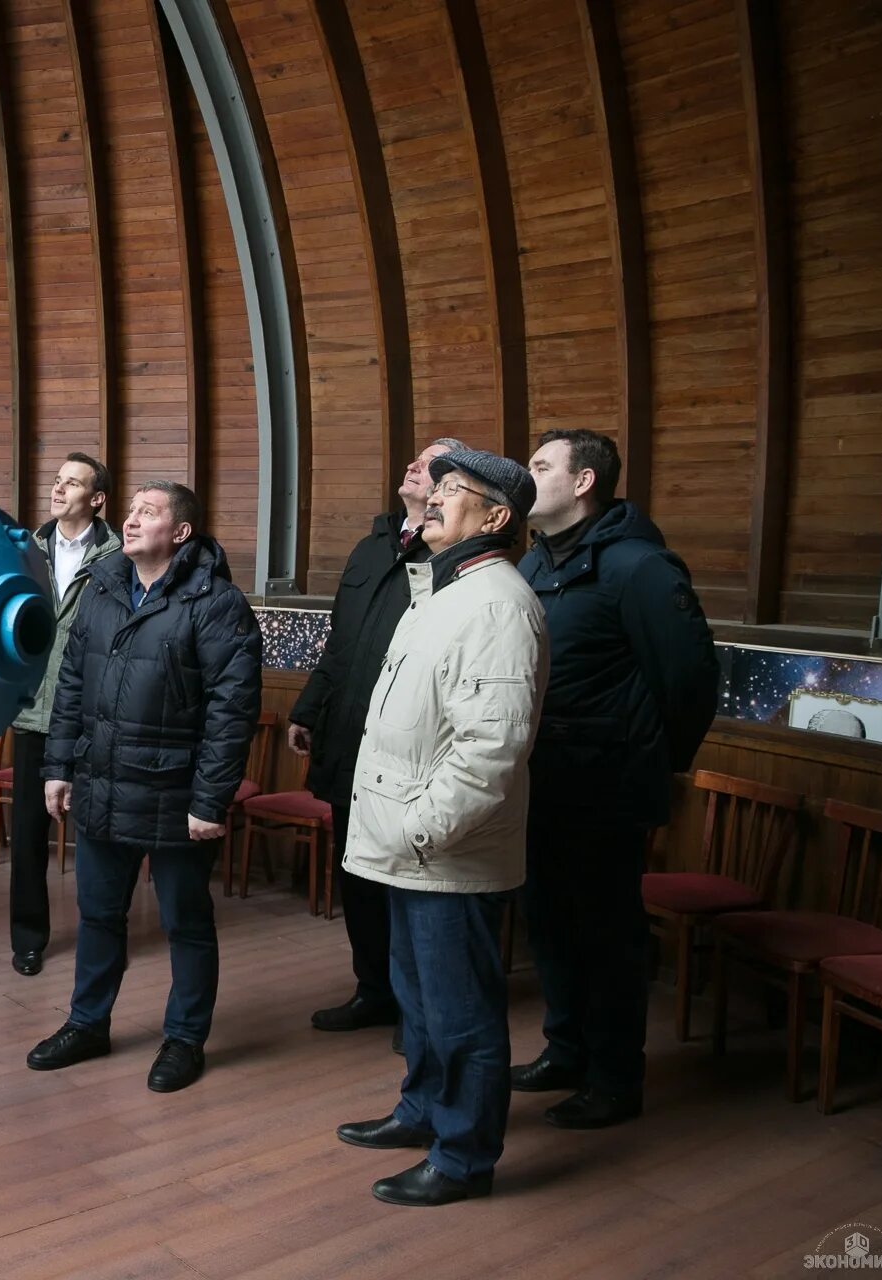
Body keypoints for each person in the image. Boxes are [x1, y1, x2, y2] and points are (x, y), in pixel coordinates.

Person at [333, 448, 546, 1207]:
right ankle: (421, 1112)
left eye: (454, 490)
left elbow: (491, 749)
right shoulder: (444, 589)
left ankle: (462, 1158)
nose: (433, 498)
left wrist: (417, 832)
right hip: (411, 851)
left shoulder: (496, 604)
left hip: (442, 854)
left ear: (496, 518)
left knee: (461, 1016)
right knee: (419, 1001)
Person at [510, 429, 719, 1129]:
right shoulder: (536, 567)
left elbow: (689, 681)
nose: (527, 476)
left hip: (605, 788)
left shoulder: (640, 567)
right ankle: (565, 1050)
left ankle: (614, 1077)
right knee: (548, 925)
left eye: (540, 466)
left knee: (605, 937)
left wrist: (653, 761)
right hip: (544, 783)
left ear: (583, 482)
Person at [24, 482, 262, 1093]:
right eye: (129, 510)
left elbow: (231, 712)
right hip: (103, 783)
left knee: (186, 921)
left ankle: (185, 1039)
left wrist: (211, 800)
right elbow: (71, 686)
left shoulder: (216, 602)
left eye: (146, 513)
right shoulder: (103, 589)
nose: (129, 521)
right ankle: (87, 1024)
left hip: (178, 794)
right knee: (99, 915)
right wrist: (58, 767)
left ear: (180, 532)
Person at [289, 437, 466, 1038]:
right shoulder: (371, 549)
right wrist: (309, 709)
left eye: (433, 462)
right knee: (357, 876)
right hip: (348, 736)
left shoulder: (456, 556)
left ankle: (415, 1008)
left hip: (408, 751)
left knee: (403, 880)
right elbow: (341, 642)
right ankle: (373, 990)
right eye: (414, 456)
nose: (414, 463)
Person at [8, 453, 122, 976]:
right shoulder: (23, 551)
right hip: (34, 713)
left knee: (99, 834)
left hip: (92, 717)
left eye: (71, 483)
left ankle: (104, 934)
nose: (57, 490)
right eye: (55, 481)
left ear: (96, 499)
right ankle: (28, 938)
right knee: (28, 835)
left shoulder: (118, 556)